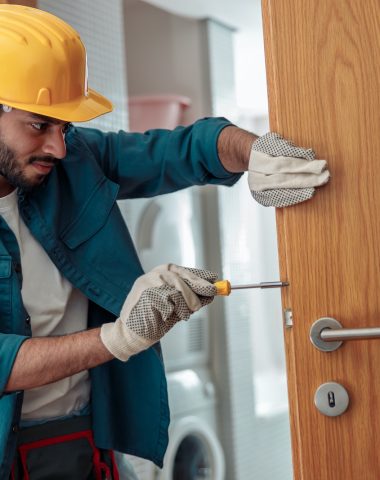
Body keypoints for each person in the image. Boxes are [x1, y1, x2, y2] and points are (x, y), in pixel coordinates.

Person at [0, 5, 330, 480]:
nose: (59, 147)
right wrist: (118, 338)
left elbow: (181, 149)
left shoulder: (76, 160)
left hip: (93, 443)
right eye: (39, 125)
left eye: (65, 126)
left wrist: (255, 153)